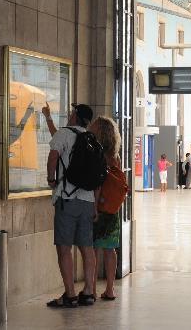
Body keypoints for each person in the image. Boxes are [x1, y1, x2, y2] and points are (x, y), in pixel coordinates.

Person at [42, 102, 97, 308]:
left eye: (72, 111)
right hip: (87, 201)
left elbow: (54, 155)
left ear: (74, 115)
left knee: (64, 248)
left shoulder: (64, 135)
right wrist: (95, 207)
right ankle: (89, 292)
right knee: (87, 248)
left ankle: (71, 295)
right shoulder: (90, 138)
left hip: (67, 199)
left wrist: (50, 179)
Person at [91, 115, 122, 301]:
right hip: (112, 208)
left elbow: (98, 184)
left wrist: (94, 207)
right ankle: (110, 289)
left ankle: (92, 288)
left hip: (99, 206)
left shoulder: (97, 154)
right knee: (110, 249)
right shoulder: (115, 155)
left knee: (93, 248)